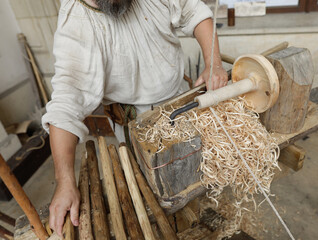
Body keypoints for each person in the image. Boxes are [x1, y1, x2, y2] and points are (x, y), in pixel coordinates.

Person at [42, 0, 228, 236]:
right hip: (135, 124)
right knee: (154, 194)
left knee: (197, 178)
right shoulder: (76, 21)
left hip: (182, 102)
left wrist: (214, 63)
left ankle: (196, 217)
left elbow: (194, 12)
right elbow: (67, 102)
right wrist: (65, 179)